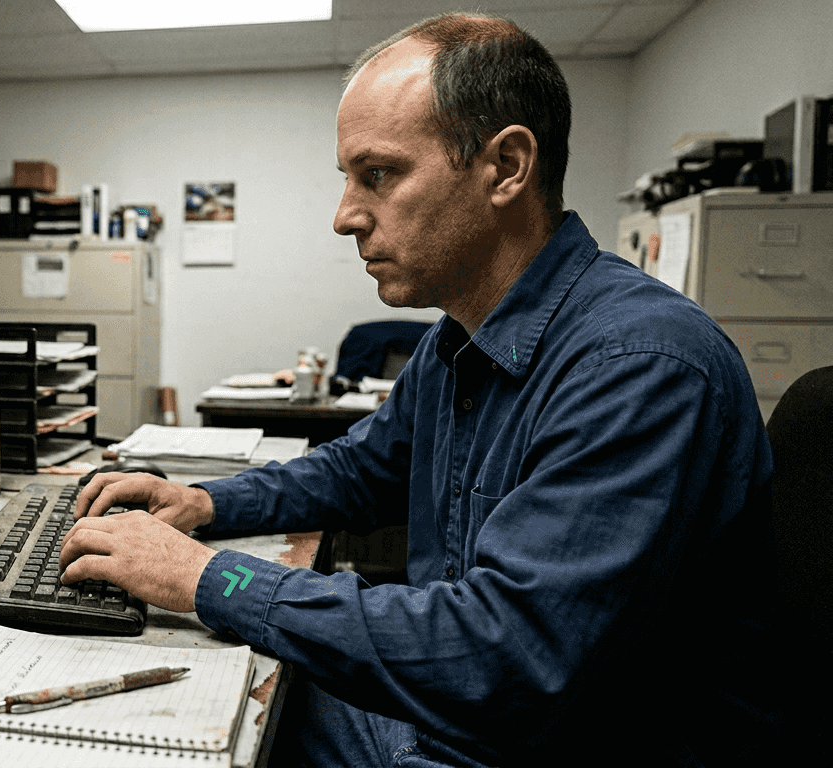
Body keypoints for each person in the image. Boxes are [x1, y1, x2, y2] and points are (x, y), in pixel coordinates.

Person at [60, 12, 786, 768]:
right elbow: (362, 467)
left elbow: (507, 654)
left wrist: (206, 576)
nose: (345, 216)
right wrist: (204, 503)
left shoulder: (640, 364)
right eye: (347, 179)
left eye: (378, 174)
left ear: (506, 167)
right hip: (478, 717)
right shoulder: (462, 335)